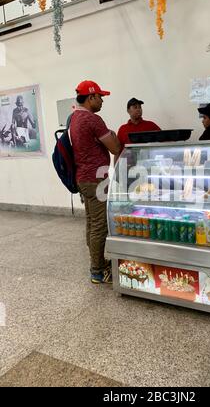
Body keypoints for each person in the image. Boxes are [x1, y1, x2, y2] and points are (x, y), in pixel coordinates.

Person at [70, 80, 121, 285]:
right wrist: (113, 135)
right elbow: (116, 148)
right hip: (97, 179)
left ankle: (96, 263)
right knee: (100, 226)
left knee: (92, 222)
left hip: (83, 178)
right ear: (90, 97)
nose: (101, 101)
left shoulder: (74, 117)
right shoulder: (93, 119)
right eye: (100, 97)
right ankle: (98, 271)